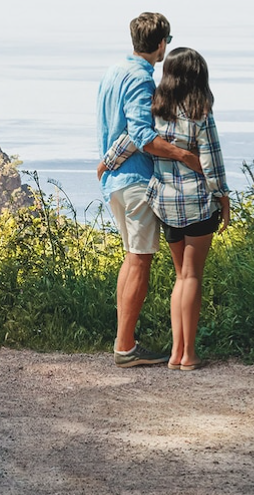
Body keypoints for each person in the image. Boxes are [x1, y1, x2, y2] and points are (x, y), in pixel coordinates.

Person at [97, 47, 230, 370]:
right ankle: (187, 354)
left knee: (180, 277)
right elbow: (212, 164)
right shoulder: (200, 113)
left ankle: (174, 355)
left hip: (166, 205)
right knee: (191, 276)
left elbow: (132, 139)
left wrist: (106, 164)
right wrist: (224, 199)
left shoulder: (156, 111)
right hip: (197, 203)